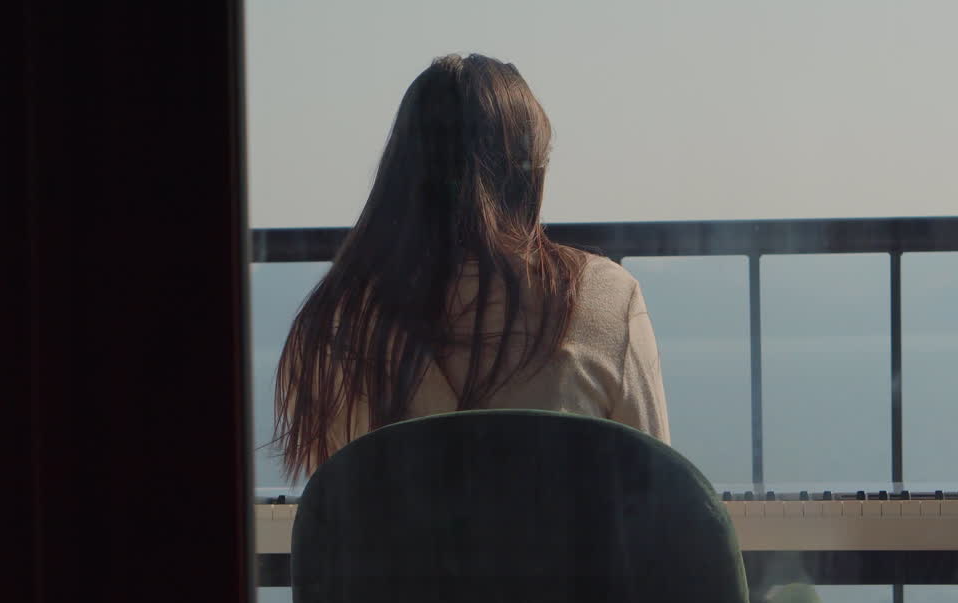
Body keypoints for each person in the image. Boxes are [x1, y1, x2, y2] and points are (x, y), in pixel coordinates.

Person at [273, 53, 669, 484]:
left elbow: (335, 520)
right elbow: (656, 501)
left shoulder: (331, 327)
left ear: (401, 171)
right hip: (552, 555)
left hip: (399, 555)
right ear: (526, 175)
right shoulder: (604, 299)